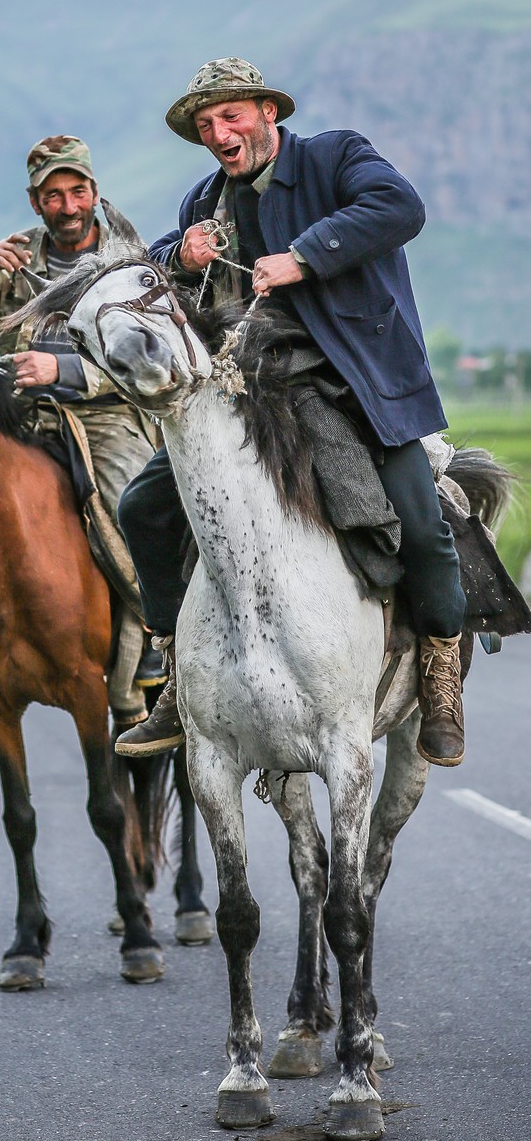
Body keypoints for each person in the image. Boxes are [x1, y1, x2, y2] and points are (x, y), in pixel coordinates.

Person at [115, 57, 467, 767]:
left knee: (421, 524)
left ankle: (439, 672)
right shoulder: (203, 201)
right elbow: (155, 270)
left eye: (231, 115)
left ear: (267, 113)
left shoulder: (337, 157)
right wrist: (180, 256)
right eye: (206, 124)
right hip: (245, 398)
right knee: (142, 509)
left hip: (354, 383)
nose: (219, 133)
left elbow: (401, 208)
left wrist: (303, 256)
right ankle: (176, 670)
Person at [0, 136, 159, 694]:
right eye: (53, 195)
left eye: (78, 191)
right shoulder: (16, 256)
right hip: (20, 417)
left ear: (94, 192)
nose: (68, 206)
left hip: (106, 416)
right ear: (35, 202)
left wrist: (64, 369)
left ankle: (155, 632)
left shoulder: (128, 261)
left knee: (132, 506)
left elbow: (150, 355)